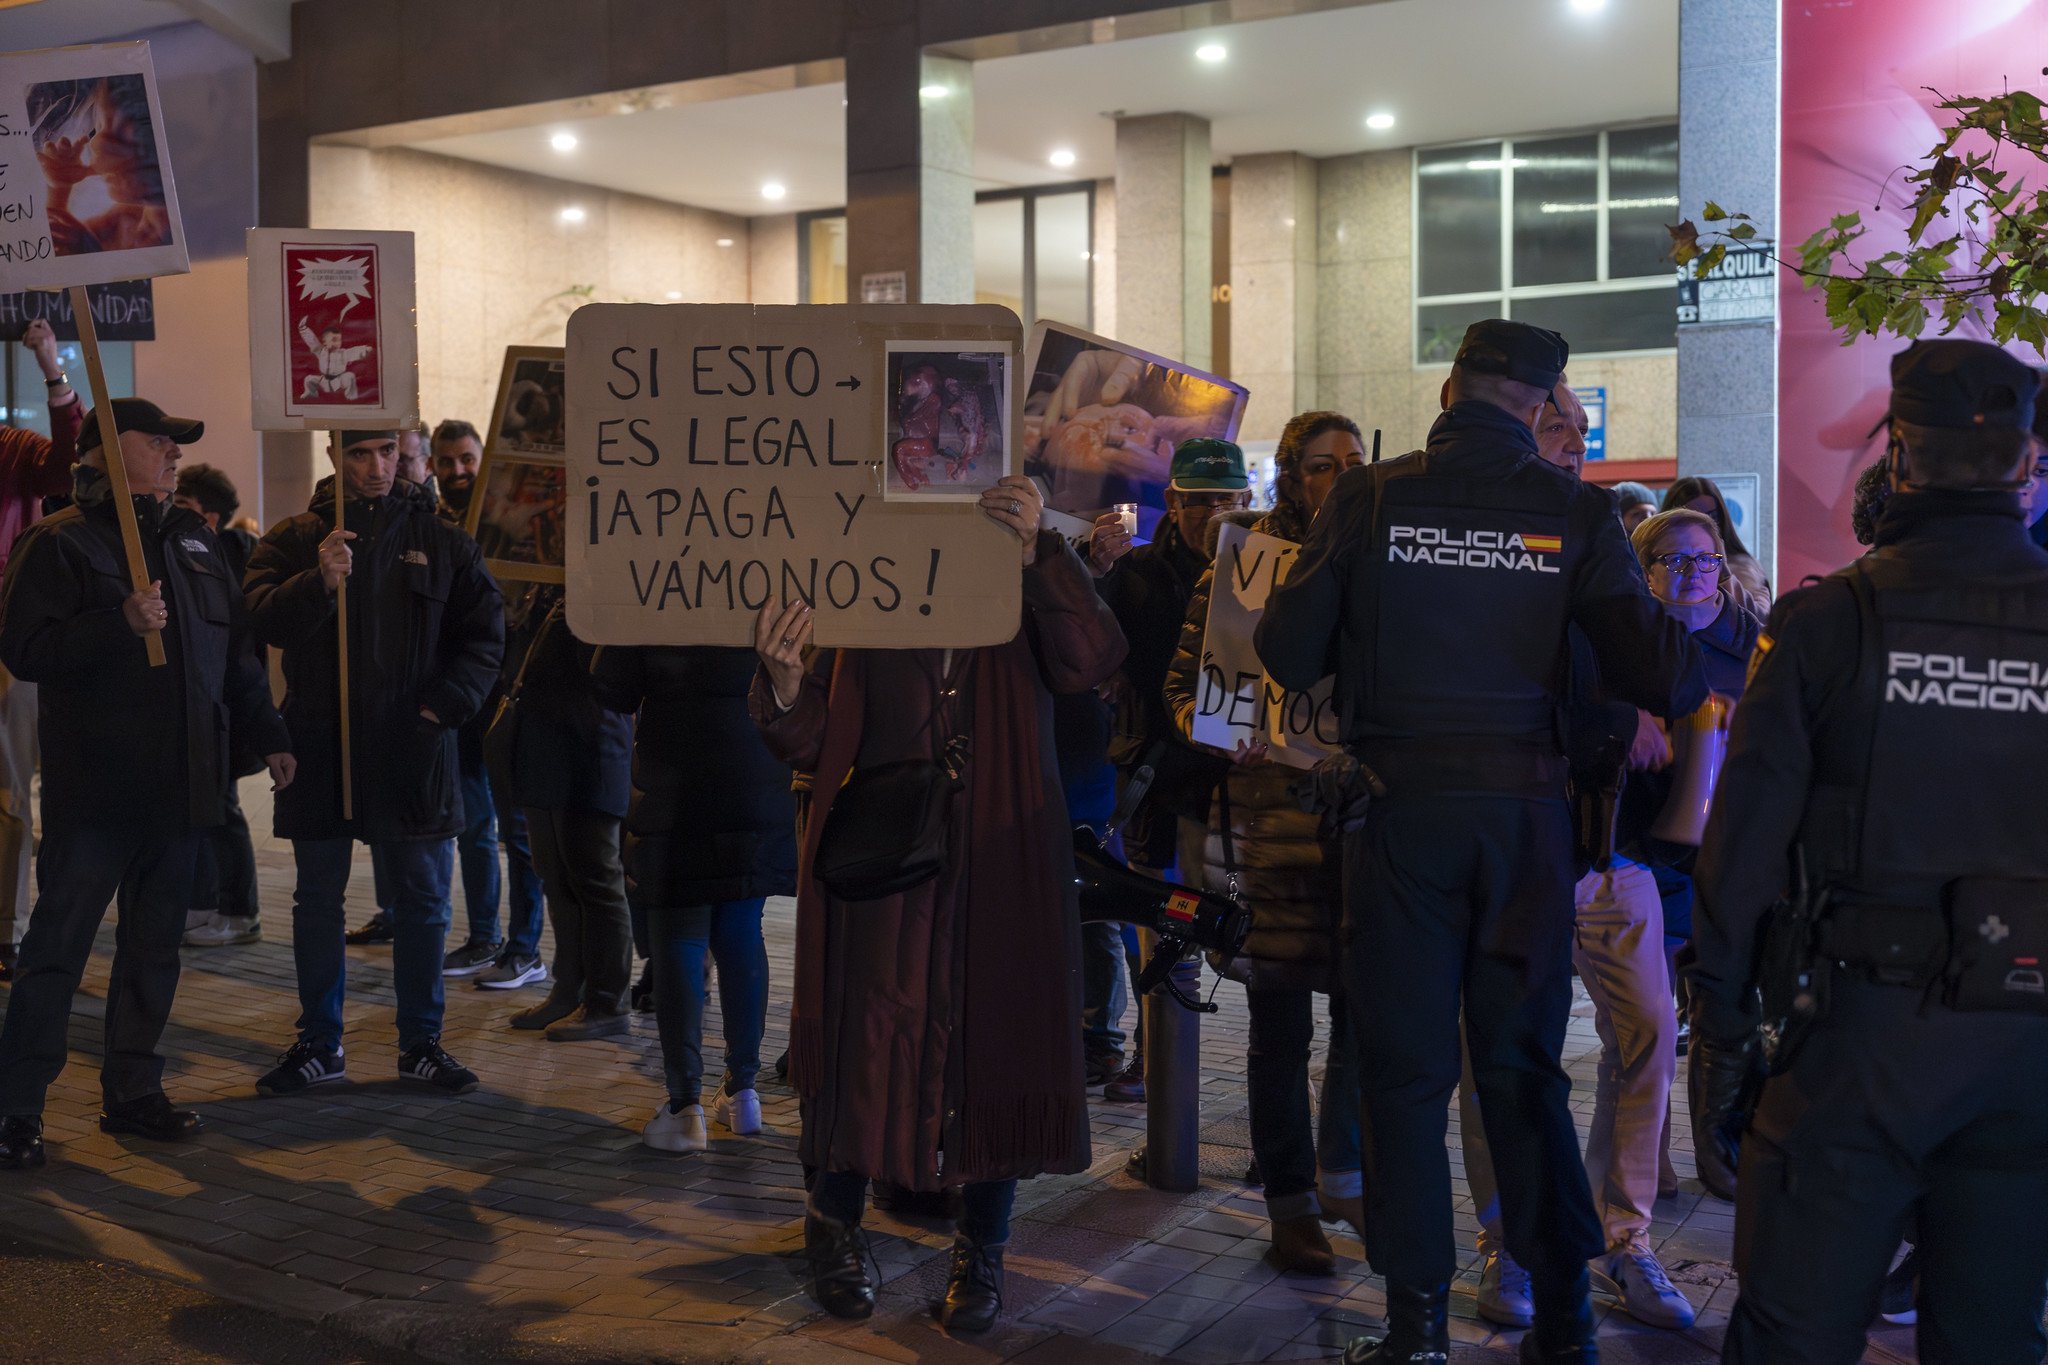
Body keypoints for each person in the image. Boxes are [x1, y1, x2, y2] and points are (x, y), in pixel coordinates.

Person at [1257, 320, 1706, 1365]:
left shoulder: (1370, 498)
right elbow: (1666, 679)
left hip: (1400, 820)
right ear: (1547, 405)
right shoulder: (1575, 511)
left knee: (1406, 1076)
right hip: (1522, 831)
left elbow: (1284, 652)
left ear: (1452, 387)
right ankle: (1563, 1319)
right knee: (1522, 1072)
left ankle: (1415, 1327)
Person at [1690, 339, 2048, 1364]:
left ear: (1897, 460)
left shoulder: (1824, 624)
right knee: (1990, 1339)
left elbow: (1741, 848)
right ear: (2025, 462)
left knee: (1792, 1335)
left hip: (1855, 1042)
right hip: (2024, 1051)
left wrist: (1720, 1032)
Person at [751, 474, 1124, 1334]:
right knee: (865, 1038)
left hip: (1001, 851)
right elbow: (811, 738)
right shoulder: (857, 577)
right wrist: (778, 680)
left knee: (991, 1037)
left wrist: (1045, 553)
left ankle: (981, 1247)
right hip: (886, 856)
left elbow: (1093, 662)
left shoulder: (1026, 571)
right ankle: (833, 1224)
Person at [0, 400, 291, 1169]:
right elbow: (25, 647)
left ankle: (133, 1091)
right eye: (156, 440)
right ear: (105, 449)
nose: (171, 452)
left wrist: (271, 735)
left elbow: (234, 657)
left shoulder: (196, 539)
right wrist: (116, 624)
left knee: (153, 948)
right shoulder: (57, 541)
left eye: (176, 442)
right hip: (96, 793)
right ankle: (16, 1108)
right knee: (57, 951)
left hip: (180, 788)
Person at [1163, 411, 1366, 1275]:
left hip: (1360, 829)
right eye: (1324, 466)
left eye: (1356, 461)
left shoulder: (1381, 558)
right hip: (1271, 833)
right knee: (1280, 1032)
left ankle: (1341, 1170)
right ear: (1289, 475)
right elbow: (1183, 687)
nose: (1342, 476)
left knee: (1364, 1019)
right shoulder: (1236, 567)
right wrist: (1212, 730)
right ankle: (1290, 1206)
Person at [244, 428, 503, 1099]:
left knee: (422, 901)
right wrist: (316, 583)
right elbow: (256, 617)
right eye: (361, 452)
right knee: (316, 899)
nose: (377, 466)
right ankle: (318, 1043)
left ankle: (421, 1043)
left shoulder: (444, 540)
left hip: (413, 751)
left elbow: (484, 637)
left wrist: (440, 708)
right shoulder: (297, 537)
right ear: (335, 454)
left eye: (388, 451)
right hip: (321, 747)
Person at [592, 639, 795, 1151]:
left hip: (675, 783)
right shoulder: (768, 571)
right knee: (742, 933)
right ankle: (743, 1090)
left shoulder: (661, 589)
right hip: (756, 774)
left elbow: (611, 685)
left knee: (680, 939)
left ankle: (685, 1105)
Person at [1094, 440, 1249, 1100]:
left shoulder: (1267, 575)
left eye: (1229, 500)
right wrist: (1094, 578)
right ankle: (1156, 1064)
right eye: (1202, 500)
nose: (1216, 513)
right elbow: (1101, 662)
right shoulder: (1133, 577)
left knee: (1234, 937)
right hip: (1157, 780)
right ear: (1175, 504)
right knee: (1158, 926)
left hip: (1234, 784)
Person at [499, 591, 636, 1038]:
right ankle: (568, 990)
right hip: (547, 751)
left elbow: (613, 676)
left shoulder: (613, 594)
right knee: (556, 879)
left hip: (591, 750)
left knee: (596, 882)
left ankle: (608, 1002)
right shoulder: (550, 597)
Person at [0, 320, 84, 983]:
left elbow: (68, 461)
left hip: (5, 644)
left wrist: (52, 368)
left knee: (9, 789)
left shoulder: (9, 448)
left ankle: (9, 926)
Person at [170, 463, 269, 948]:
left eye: (184, 505)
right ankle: (206, 904)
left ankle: (239, 910)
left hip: (225, 708)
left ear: (209, 516)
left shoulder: (225, 558)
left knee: (222, 809)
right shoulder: (199, 555)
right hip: (207, 708)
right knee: (204, 806)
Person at [1660, 476, 1769, 604]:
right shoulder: (1663, 563)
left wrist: (1725, 576)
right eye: (1695, 519)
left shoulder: (1741, 568)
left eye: (1713, 516)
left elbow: (1756, 617)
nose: (1706, 526)